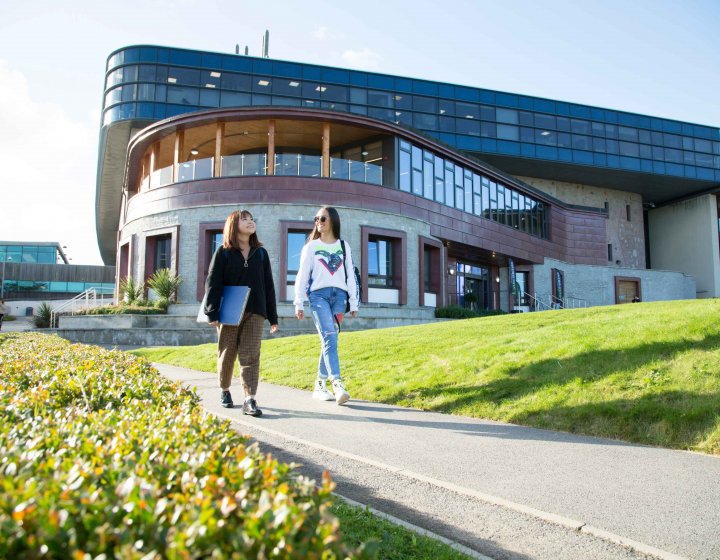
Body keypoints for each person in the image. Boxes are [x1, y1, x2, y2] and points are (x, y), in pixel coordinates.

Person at [203, 210, 278, 416]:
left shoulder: (261, 253)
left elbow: (268, 286)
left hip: (256, 310)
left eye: (251, 218)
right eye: (244, 219)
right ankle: (224, 389)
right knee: (227, 354)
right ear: (233, 225)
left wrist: (272, 316)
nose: (250, 222)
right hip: (229, 311)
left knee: (251, 355)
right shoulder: (223, 252)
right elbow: (213, 283)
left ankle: (249, 399)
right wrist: (212, 313)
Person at [294, 206, 359, 405]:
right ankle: (337, 383)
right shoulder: (311, 247)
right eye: (316, 219)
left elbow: (349, 275)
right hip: (318, 297)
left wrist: (353, 301)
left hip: (339, 297)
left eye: (323, 218)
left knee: (329, 340)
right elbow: (302, 275)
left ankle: (319, 385)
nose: (318, 222)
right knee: (330, 337)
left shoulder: (343, 246)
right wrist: (299, 302)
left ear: (333, 221)